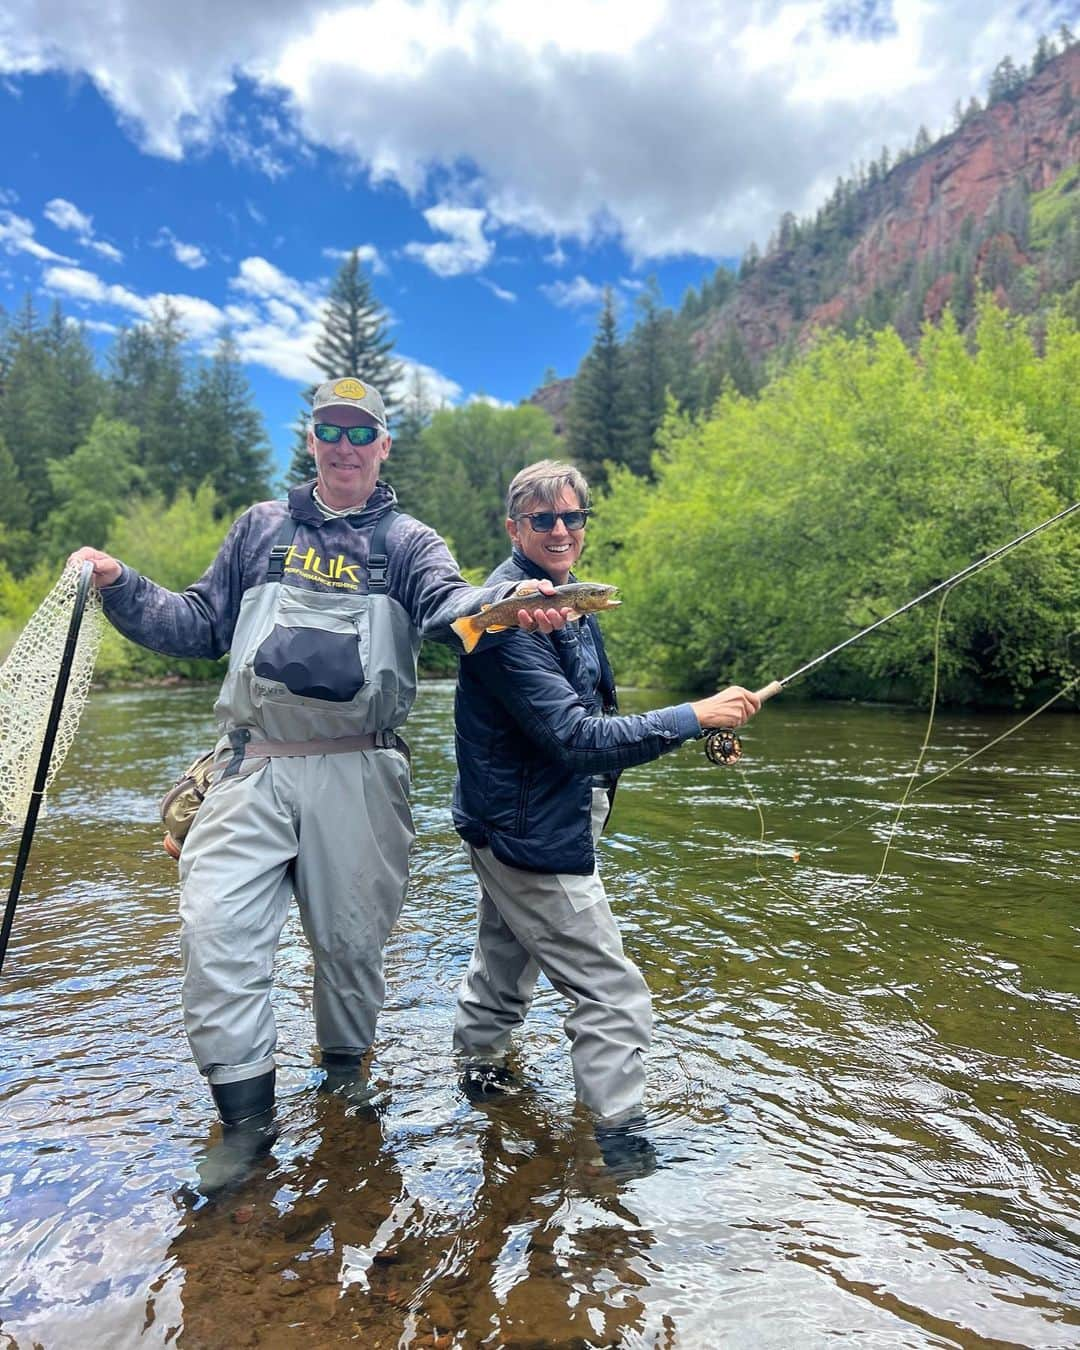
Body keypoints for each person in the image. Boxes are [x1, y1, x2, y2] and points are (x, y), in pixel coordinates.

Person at [68, 377, 569, 1193]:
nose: (343, 446)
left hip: (361, 770)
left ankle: (343, 1078)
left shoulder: (409, 541)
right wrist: (120, 582)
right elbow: (197, 623)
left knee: (350, 950)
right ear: (311, 442)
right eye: (328, 431)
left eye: (358, 431)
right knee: (216, 932)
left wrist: (507, 601)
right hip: (254, 764)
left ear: (382, 446)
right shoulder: (259, 529)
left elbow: (450, 607)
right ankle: (245, 1126)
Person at [451, 459, 761, 1172]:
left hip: (512, 818)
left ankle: (480, 1076)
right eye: (543, 520)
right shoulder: (511, 619)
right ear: (514, 528)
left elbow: (588, 718)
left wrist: (693, 727)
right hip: (530, 831)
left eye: (573, 518)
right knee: (614, 995)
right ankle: (620, 1150)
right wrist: (693, 714)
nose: (561, 530)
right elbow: (574, 738)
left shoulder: (568, 601)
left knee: (508, 954)